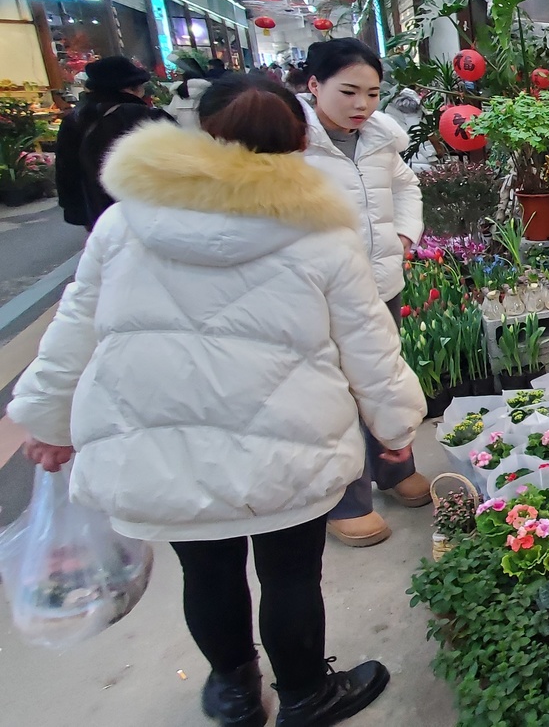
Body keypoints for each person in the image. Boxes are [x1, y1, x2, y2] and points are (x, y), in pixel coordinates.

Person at [10, 74, 425, 727]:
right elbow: (369, 344)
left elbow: (73, 330)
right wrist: (395, 427)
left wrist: (45, 420)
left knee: (206, 572)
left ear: (201, 133)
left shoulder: (124, 221)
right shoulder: (322, 232)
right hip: (290, 441)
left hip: (163, 442)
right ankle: (305, 695)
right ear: (299, 144)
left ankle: (235, 694)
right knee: (291, 575)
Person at [299, 38, 427, 547]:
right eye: (349, 92)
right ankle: (347, 500)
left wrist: (405, 235)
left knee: (383, 376)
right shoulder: (292, 142)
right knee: (336, 393)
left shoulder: (379, 138)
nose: (362, 105)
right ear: (314, 85)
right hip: (323, 292)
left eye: (372, 94)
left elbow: (406, 186)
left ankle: (395, 471)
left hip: (381, 282)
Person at [55, 56, 174, 229]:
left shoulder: (74, 119)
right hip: (147, 213)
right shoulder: (147, 116)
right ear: (131, 88)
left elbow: (66, 170)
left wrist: (77, 211)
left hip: (97, 214)